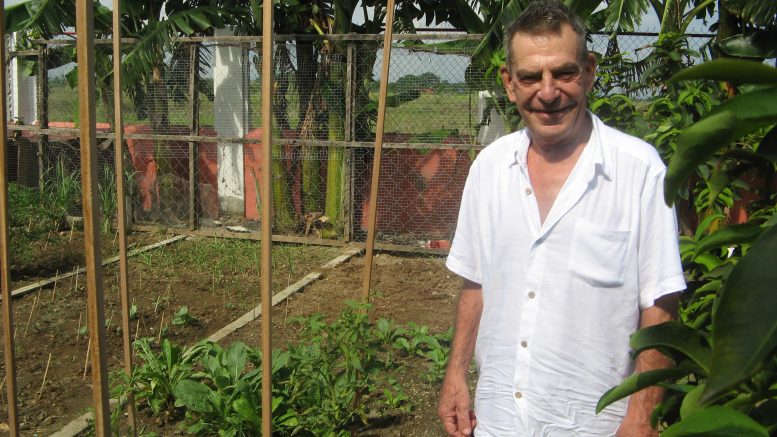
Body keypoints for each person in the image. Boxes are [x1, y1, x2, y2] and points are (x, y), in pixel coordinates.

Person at [437, 1, 686, 436]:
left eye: (564, 73)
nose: (547, 92)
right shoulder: (489, 168)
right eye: (531, 76)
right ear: (509, 83)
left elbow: (661, 304)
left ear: (588, 71)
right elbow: (475, 284)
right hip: (499, 419)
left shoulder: (638, 170)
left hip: (596, 424)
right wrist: (456, 375)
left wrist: (642, 415)